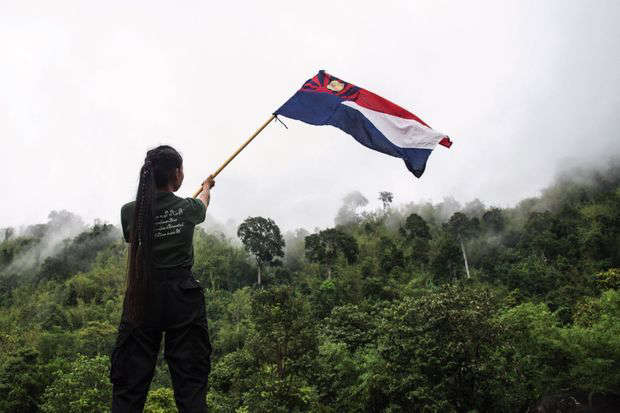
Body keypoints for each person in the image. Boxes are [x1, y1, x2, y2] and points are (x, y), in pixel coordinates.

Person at [110, 145, 215, 412]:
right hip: (183, 297)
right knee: (191, 381)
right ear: (177, 174)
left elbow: (134, 237)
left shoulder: (129, 211)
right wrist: (206, 187)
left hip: (142, 295)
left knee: (129, 383)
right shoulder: (188, 208)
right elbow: (202, 203)